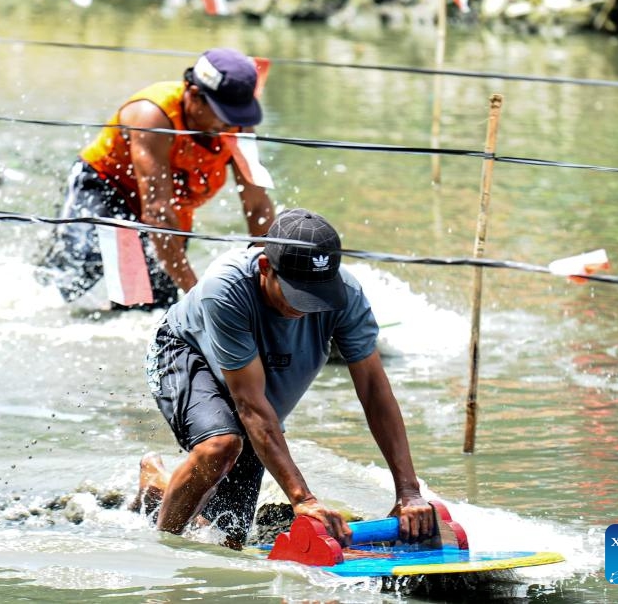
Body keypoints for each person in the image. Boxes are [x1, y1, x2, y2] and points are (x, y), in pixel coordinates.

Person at [130, 208, 434, 550]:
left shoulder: (347, 295)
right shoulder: (225, 289)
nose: (305, 307)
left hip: (253, 379)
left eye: (318, 294)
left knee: (225, 537)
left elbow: (375, 391)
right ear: (265, 268)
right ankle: (162, 548)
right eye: (296, 293)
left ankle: (159, 482)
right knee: (220, 446)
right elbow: (250, 407)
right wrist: (302, 498)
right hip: (184, 350)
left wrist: (408, 490)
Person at [36, 47, 275, 309]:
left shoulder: (238, 127)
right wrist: (198, 297)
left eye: (237, 117)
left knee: (150, 305)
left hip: (172, 209)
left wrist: (264, 279)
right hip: (106, 188)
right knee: (72, 275)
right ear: (194, 96)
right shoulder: (153, 115)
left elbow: (257, 206)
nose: (230, 126)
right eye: (224, 116)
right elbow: (157, 213)